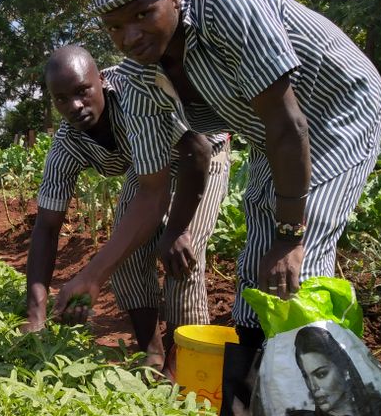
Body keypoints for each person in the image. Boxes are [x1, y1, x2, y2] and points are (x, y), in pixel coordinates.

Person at [56, 0, 381, 374]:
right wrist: (93, 275)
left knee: (296, 264)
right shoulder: (138, 75)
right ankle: (250, 397)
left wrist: (291, 233)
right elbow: (151, 191)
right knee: (255, 263)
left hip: (338, 109)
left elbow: (289, 121)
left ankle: (323, 408)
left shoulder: (226, 5)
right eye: (115, 27)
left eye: (143, 14)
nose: (130, 36)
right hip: (273, 136)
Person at [25, 45, 230, 366]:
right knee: (126, 258)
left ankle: (183, 365)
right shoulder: (67, 144)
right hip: (148, 169)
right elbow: (47, 227)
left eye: (82, 91)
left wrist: (176, 230)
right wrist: (36, 313)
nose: (75, 106)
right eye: (62, 99)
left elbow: (197, 152)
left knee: (181, 258)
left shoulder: (134, 93)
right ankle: (151, 355)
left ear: (100, 80)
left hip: (202, 155)